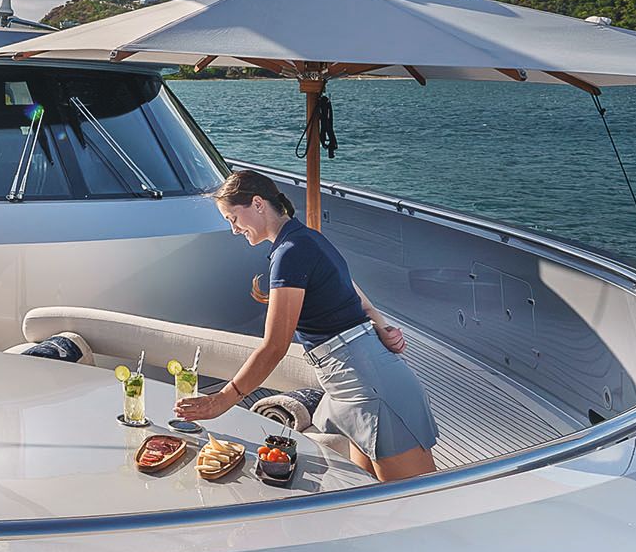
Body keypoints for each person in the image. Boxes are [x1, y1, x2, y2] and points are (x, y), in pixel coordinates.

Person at [175, 168, 438, 480]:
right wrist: (380, 326)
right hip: (351, 382)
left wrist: (223, 400)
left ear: (257, 204)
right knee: (372, 499)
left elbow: (275, 346)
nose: (233, 229)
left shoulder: (291, 253)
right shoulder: (306, 240)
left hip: (369, 385)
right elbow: (358, 298)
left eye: (233, 218)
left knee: (418, 501)